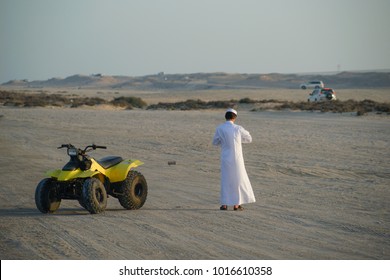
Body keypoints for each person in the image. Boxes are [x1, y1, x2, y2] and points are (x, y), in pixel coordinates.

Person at [212, 108, 255, 211]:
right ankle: (236, 204)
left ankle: (224, 205)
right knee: (238, 179)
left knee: (226, 179)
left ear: (225, 117)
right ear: (234, 117)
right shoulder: (238, 128)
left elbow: (215, 142)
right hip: (237, 158)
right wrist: (238, 141)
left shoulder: (220, 128)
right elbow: (249, 139)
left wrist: (224, 142)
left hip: (225, 158)